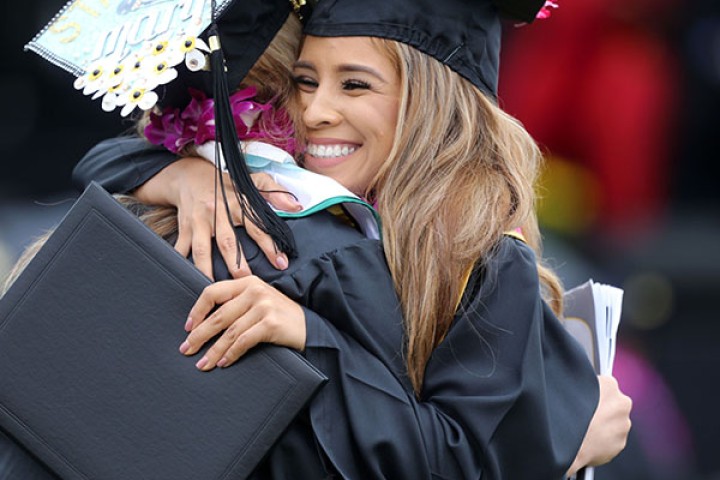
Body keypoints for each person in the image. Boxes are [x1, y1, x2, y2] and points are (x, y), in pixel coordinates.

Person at [69, 1, 633, 479]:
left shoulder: (479, 258)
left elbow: (461, 456)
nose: (315, 111)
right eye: (305, 82)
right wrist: (175, 172)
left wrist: (308, 336)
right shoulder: (288, 218)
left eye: (355, 85)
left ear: (430, 102)